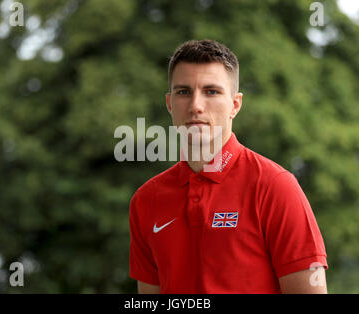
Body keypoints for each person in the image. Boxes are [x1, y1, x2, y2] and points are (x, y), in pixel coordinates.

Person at [128, 39, 328, 294]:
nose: (195, 105)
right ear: (169, 103)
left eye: (211, 91)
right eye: (184, 92)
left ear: (235, 105)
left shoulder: (276, 186)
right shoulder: (146, 200)